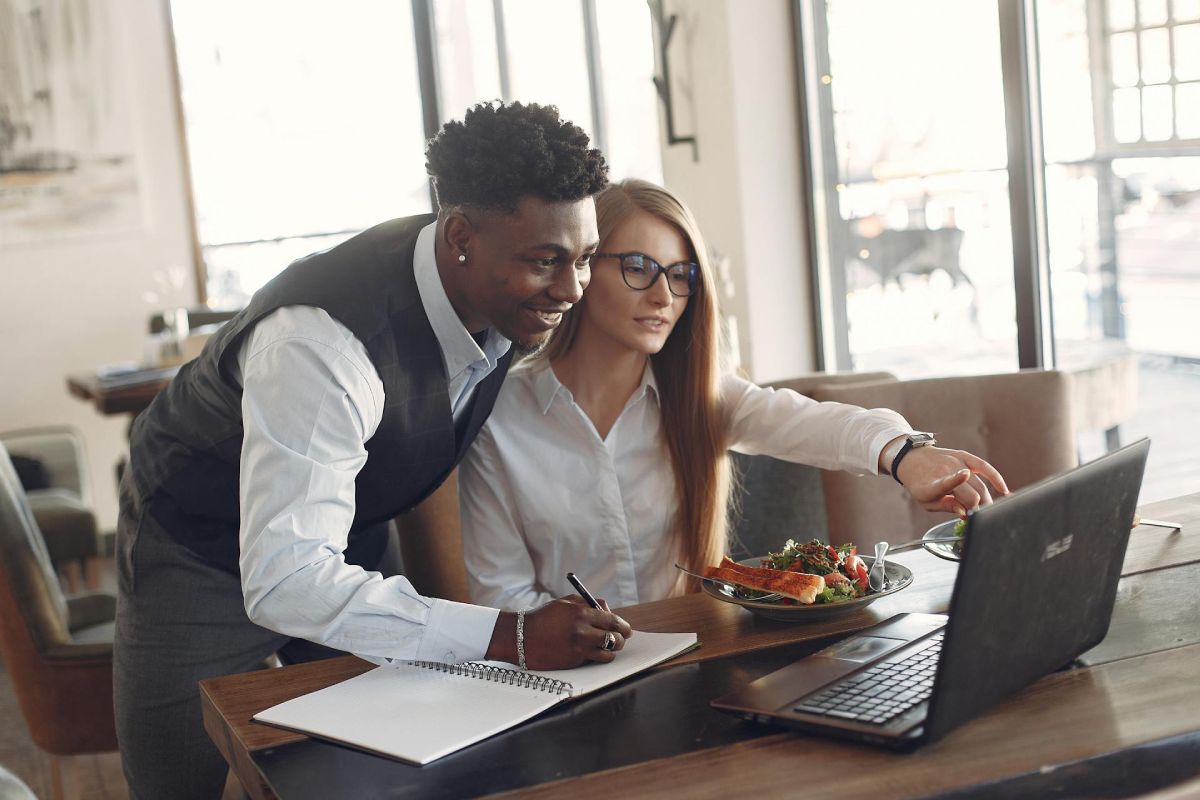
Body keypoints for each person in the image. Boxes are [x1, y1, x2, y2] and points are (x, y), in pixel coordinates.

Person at [113, 102, 632, 800]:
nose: (572, 288)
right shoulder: (321, 344)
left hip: (349, 528)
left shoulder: (505, 294)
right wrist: (509, 635)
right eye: (546, 262)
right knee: (177, 785)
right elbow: (287, 579)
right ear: (459, 237)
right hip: (196, 541)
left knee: (399, 760)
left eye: (585, 258)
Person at [459, 179, 1008, 610]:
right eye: (638, 268)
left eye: (680, 275)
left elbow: (815, 424)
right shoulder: (498, 418)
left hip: (695, 662)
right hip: (566, 687)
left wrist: (905, 453)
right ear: (581, 266)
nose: (663, 295)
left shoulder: (704, 399)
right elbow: (501, 597)